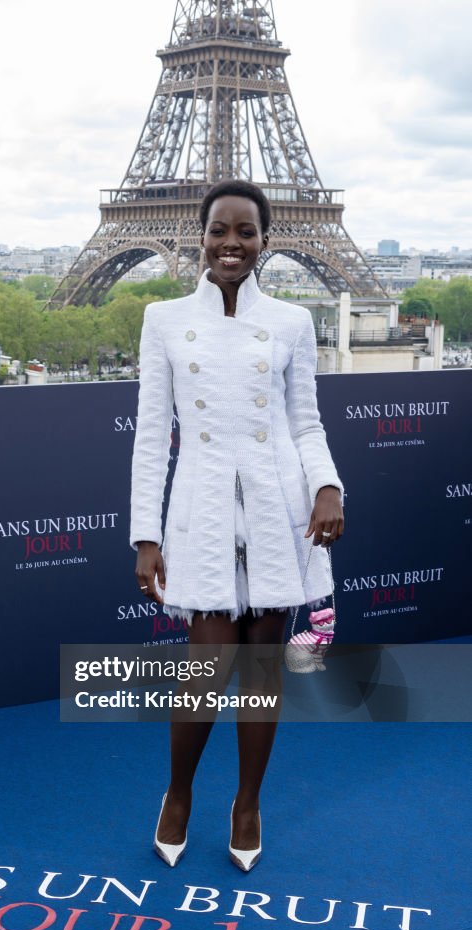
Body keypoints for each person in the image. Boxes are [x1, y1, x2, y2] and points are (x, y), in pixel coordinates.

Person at [129, 179, 344, 871]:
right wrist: (146, 536)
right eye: (220, 230)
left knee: (260, 671)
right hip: (202, 505)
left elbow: (304, 421)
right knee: (205, 668)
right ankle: (180, 791)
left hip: (279, 507)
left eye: (245, 232)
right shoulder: (162, 318)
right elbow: (150, 434)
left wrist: (328, 486)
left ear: (264, 241)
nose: (231, 244)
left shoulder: (291, 322)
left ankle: (248, 801)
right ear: (201, 236)